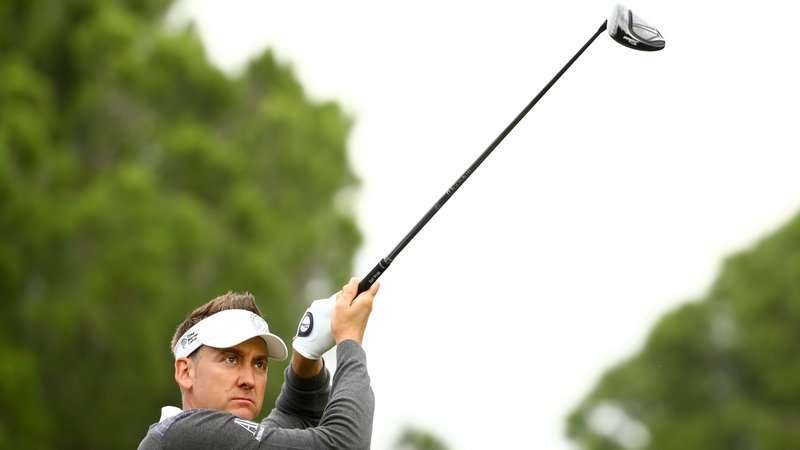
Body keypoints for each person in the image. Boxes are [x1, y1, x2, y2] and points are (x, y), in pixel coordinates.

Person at [137, 277, 379, 450]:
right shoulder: (183, 434)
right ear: (186, 372)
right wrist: (348, 336)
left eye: (259, 364)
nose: (249, 380)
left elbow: (298, 414)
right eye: (231, 359)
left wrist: (306, 351)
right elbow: (346, 444)